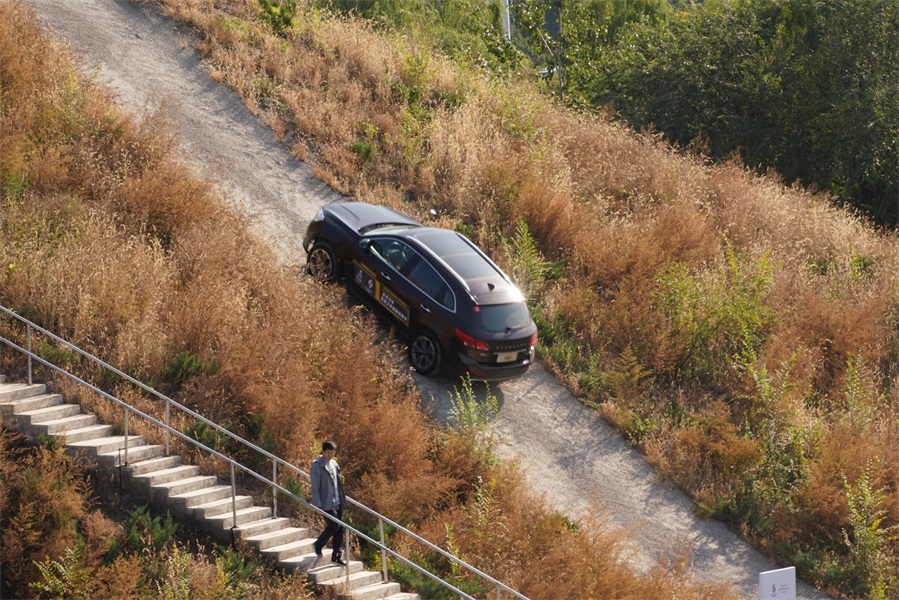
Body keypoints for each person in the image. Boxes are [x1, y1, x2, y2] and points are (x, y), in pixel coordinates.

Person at [311, 440, 347, 566]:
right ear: (323, 451)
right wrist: (318, 504)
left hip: (337, 501)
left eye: (332, 453)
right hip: (325, 502)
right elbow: (315, 487)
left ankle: (336, 556)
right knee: (334, 526)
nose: (330, 455)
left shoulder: (334, 464)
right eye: (328, 452)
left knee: (339, 528)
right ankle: (318, 544)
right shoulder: (317, 465)